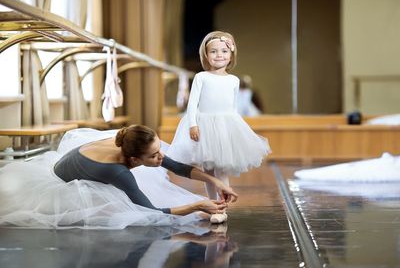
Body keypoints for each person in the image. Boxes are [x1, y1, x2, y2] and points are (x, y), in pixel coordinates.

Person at [0, 125, 238, 229]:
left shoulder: (130, 140)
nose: (161, 157)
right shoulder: (117, 172)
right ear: (134, 160)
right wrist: (198, 205)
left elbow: (176, 166)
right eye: (154, 155)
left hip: (76, 163)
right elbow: (152, 212)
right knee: (132, 212)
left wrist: (213, 180)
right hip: (62, 183)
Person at [167, 31, 271, 223]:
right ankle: (212, 205)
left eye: (224, 51)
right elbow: (192, 105)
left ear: (231, 54)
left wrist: (236, 129)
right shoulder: (201, 77)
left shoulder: (233, 81)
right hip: (204, 124)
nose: (219, 55)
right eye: (213, 51)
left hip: (225, 126)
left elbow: (233, 108)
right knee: (208, 172)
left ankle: (222, 208)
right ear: (206, 55)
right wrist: (193, 124)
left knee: (221, 169)